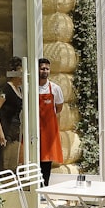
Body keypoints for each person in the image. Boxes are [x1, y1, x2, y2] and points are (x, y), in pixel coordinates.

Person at [0, 57, 24, 172]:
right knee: (0, 159)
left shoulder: (19, 89)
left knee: (10, 160)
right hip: (4, 127)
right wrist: (0, 131)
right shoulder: (5, 88)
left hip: (13, 128)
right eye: (21, 72)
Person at [36, 57, 63, 185]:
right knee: (35, 158)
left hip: (48, 130)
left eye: (47, 68)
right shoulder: (31, 88)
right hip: (35, 128)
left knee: (47, 159)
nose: (44, 71)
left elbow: (59, 108)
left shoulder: (55, 88)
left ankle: (45, 185)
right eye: (42, 69)